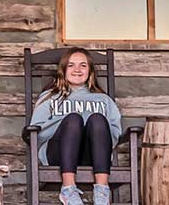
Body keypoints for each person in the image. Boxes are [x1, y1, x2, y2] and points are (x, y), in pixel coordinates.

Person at [28, 48, 125, 205]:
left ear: (90, 71)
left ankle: (102, 191)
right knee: (73, 120)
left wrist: (96, 135)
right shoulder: (50, 97)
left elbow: (114, 132)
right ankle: (68, 189)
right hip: (58, 154)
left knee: (98, 119)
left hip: (92, 156)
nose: (77, 69)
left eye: (83, 65)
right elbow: (36, 132)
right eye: (71, 65)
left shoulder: (104, 100)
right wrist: (64, 123)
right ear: (64, 70)